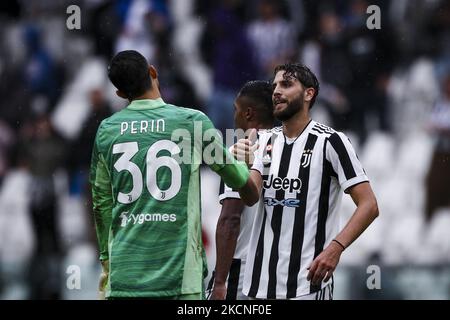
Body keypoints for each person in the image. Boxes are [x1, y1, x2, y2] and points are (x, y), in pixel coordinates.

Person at [90, 50, 259, 299]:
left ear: (120, 94)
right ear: (153, 72)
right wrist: (245, 162)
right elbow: (244, 186)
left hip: (125, 277)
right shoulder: (192, 121)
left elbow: (101, 204)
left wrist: (107, 260)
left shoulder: (107, 130)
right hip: (180, 279)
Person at [230, 62, 379, 300]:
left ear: (309, 94)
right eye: (274, 86)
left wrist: (335, 248)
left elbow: (369, 205)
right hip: (259, 286)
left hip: (306, 286)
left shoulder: (331, 141)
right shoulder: (264, 139)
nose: (276, 91)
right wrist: (240, 167)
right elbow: (250, 197)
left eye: (286, 84)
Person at [207, 80, 275, 300]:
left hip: (241, 273)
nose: (234, 116)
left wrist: (219, 281)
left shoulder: (239, 151)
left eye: (236, 110)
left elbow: (230, 219)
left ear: (248, 114)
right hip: (277, 272)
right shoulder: (289, 149)